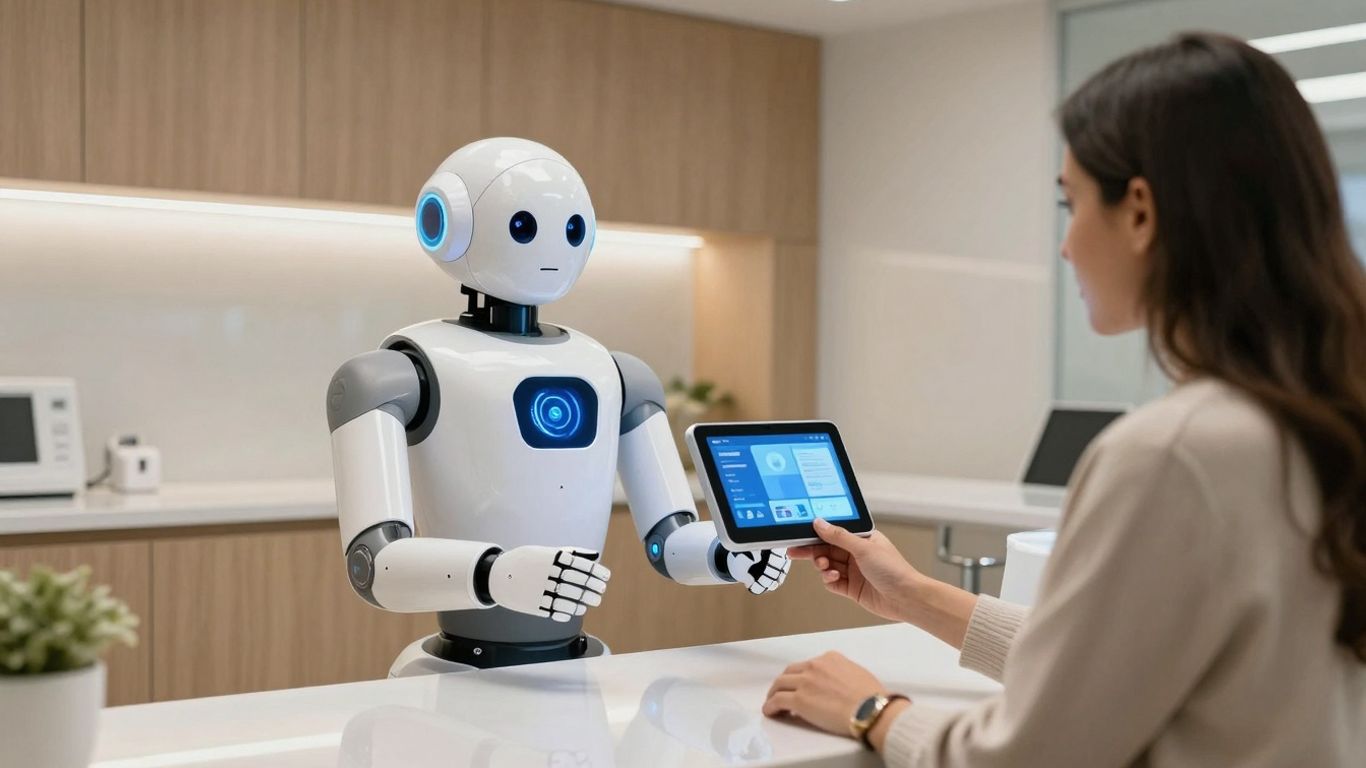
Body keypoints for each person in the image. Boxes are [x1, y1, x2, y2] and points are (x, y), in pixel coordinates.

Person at [763, 32, 1366, 766]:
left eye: (1070, 203)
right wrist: (916, 595)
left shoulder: (1176, 454)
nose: (1066, 245)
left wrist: (870, 710)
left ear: (1140, 211)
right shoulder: (1322, 421)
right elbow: (1128, 667)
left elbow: (1027, 757)